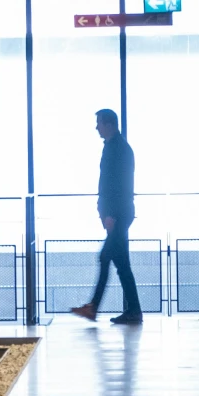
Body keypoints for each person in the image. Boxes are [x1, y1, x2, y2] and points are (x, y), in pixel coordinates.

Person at [71, 108, 143, 324]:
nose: (96, 127)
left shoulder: (118, 149)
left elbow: (118, 184)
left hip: (118, 214)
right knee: (122, 264)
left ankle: (93, 307)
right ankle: (134, 311)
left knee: (105, 257)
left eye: (99, 123)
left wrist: (110, 213)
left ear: (109, 124)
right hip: (119, 213)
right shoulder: (116, 147)